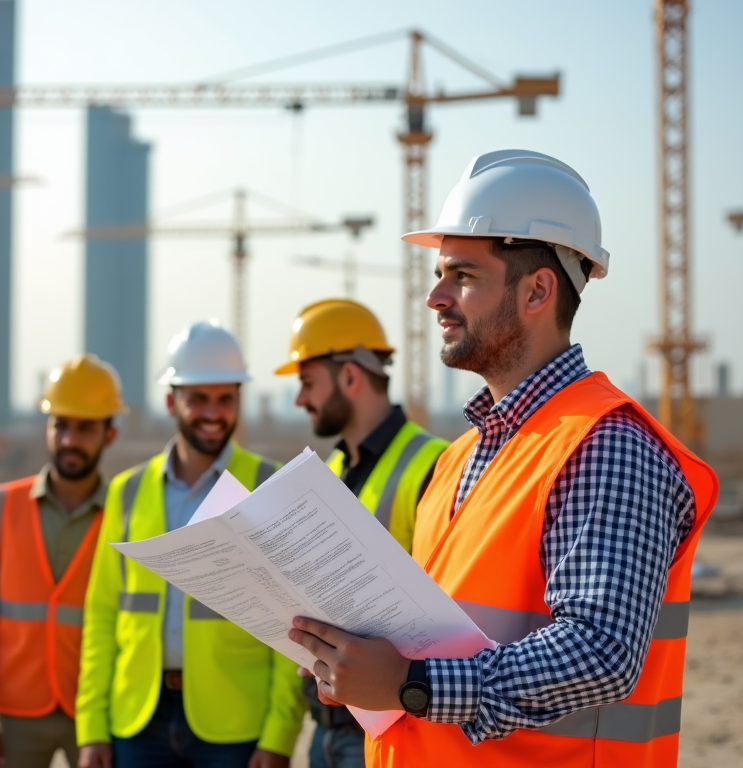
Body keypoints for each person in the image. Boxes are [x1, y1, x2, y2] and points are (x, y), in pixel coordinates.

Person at [287, 149, 718, 767]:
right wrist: (356, 659)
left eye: (461, 274)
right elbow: (444, 630)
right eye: (439, 274)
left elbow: (599, 653)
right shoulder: (461, 457)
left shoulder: (606, 443)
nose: (435, 297)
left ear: (539, 290)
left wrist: (413, 685)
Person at [76, 320, 305, 768]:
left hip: (235, 722)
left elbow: (291, 626)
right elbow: (102, 616)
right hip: (137, 720)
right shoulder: (127, 491)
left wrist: (279, 735)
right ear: (170, 401)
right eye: (198, 398)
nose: (213, 412)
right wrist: (91, 729)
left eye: (225, 399)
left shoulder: (266, 485)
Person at [274, 298, 447, 768]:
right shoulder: (328, 471)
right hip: (327, 725)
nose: (300, 399)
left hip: (394, 728)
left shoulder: (435, 464)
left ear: (350, 376)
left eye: (307, 383)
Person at [0, 354, 127, 768]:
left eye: (85, 427)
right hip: (16, 715)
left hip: (100, 714)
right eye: (60, 424)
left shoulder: (127, 515)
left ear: (109, 434)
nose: (69, 440)